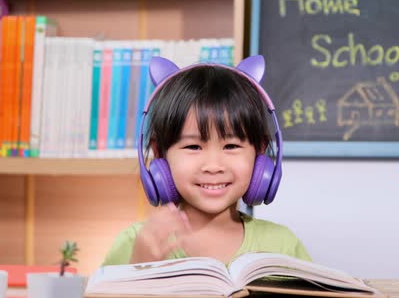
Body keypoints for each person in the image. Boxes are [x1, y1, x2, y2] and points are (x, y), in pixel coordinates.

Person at [102, 55, 310, 266]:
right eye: (193, 147)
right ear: (159, 153)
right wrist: (140, 264)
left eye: (231, 146)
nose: (213, 166)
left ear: (260, 151)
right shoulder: (137, 243)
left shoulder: (284, 246)